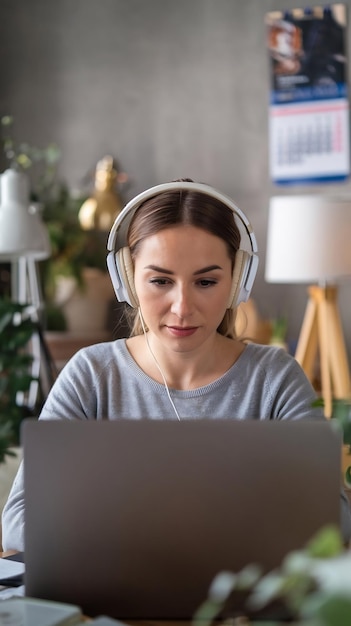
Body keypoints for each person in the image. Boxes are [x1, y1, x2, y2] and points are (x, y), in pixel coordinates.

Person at [2, 179, 351, 551]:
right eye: (160, 280)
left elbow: (337, 517)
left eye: (205, 281)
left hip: (240, 605)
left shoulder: (275, 379)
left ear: (236, 283)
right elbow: (19, 518)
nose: (182, 307)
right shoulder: (91, 375)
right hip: (111, 603)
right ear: (128, 280)